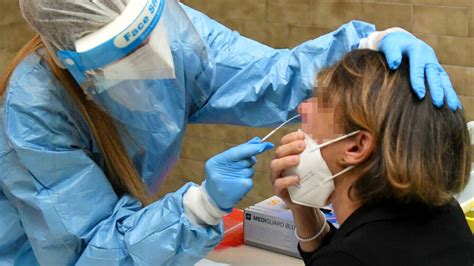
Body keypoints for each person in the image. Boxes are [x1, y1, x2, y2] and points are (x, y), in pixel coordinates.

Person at [0, 0, 461, 265]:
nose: (162, 60)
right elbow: (85, 254)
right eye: (130, 54)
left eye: (152, 36)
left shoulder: (174, 36)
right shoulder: (34, 109)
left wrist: (365, 44)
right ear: (76, 63)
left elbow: (269, 76)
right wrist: (199, 207)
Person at [270, 49, 473, 265]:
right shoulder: (448, 214)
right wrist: (303, 210)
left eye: (321, 102)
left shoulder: (348, 257)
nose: (303, 108)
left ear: (357, 147)